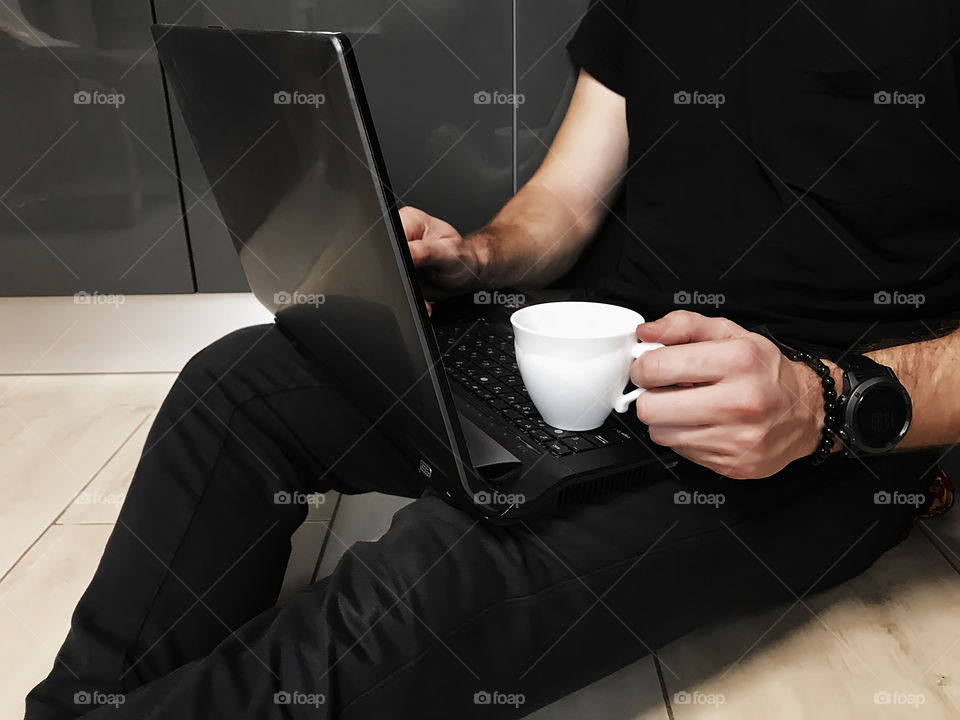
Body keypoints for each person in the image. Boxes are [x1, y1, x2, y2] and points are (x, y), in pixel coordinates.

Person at [26, 1, 960, 718]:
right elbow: (563, 202)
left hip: (818, 434)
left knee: (436, 576)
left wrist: (826, 403)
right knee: (234, 385)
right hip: (605, 354)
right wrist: (475, 257)